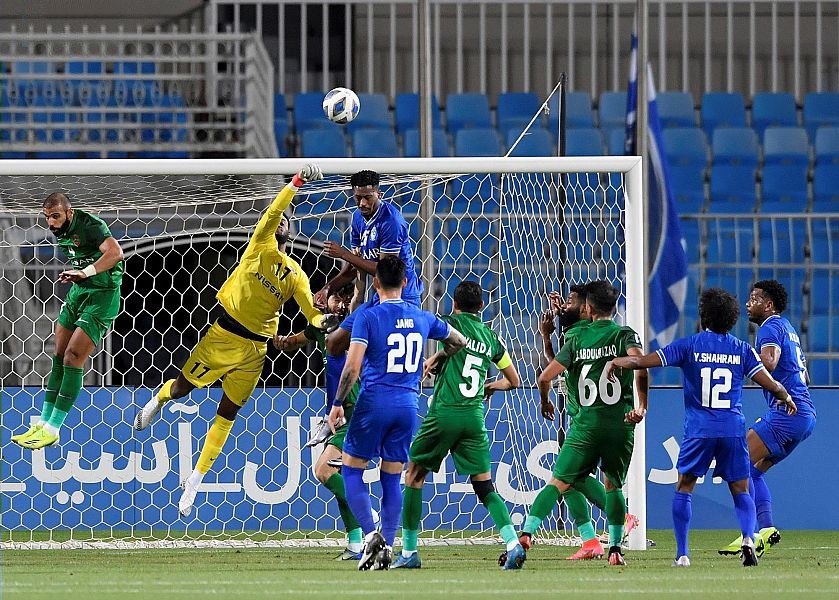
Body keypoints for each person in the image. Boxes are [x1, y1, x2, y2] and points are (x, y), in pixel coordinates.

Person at [134, 164, 338, 517]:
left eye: (287, 219)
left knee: (226, 414)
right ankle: (161, 397)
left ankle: (194, 484)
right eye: (278, 217)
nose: (281, 220)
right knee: (182, 388)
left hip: (255, 350)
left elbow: (310, 312)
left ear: (290, 231)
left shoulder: (295, 276)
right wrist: (296, 183)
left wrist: (325, 320)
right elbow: (274, 210)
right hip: (223, 336)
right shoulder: (258, 245)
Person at [608, 287, 797, 568]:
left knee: (685, 486)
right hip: (733, 429)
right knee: (741, 487)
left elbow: (643, 361)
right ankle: (748, 537)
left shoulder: (688, 345)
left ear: (702, 316)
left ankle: (683, 554)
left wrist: (617, 361)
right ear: (732, 319)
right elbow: (771, 383)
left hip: (700, 430)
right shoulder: (742, 349)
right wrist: (786, 396)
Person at [327, 256, 466, 571]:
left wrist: (337, 404)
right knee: (392, 479)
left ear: (375, 283)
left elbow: (351, 366)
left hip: (373, 401)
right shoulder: (423, 317)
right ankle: (388, 545)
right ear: (406, 283)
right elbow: (459, 341)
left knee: (350, 470)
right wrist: (441, 356)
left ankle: (370, 534)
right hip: (407, 406)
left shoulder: (368, 316)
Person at [393, 280, 524, 570]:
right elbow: (514, 381)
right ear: (482, 307)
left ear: (453, 304)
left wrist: (435, 357)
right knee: (485, 487)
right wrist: (491, 386)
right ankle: (513, 544)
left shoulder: (449, 322)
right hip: (474, 418)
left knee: (413, 475)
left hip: (445, 413)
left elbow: (450, 340)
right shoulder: (492, 338)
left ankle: (409, 551)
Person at [518, 280, 648, 567]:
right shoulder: (611, 334)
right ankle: (598, 542)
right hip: (613, 420)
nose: (565, 304)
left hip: (585, 418)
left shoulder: (579, 335)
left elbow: (550, 373)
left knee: (563, 479)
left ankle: (533, 533)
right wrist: (642, 406)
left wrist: (544, 399)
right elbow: (638, 362)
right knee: (598, 482)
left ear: (587, 310)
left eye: (572, 300)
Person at [309, 170, 424, 448]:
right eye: (358, 197)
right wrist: (329, 288)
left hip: (401, 299)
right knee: (334, 343)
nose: (362, 203)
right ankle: (333, 416)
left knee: (383, 365)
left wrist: (344, 254)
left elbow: (385, 270)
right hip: (375, 300)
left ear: (379, 194)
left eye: (367, 197)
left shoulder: (392, 221)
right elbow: (353, 269)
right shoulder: (358, 220)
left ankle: (391, 425)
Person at [13, 192, 124, 450]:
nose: (51, 223)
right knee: (58, 354)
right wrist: (77, 275)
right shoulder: (60, 231)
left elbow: (116, 253)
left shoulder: (90, 225)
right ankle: (42, 423)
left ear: (69, 212)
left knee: (73, 356)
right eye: (47, 217)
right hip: (79, 292)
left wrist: (84, 272)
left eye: (56, 216)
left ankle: (54, 427)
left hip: (103, 295)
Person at [719, 280, 816, 556]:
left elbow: (769, 362)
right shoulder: (788, 328)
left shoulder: (770, 327)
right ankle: (766, 529)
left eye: (754, 299)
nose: (749, 304)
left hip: (787, 414)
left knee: (737, 462)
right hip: (803, 414)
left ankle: (748, 535)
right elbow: (803, 375)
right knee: (753, 471)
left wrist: (739, 357)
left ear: (769, 305)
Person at [273, 283, 365, 560]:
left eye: (345, 299)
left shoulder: (355, 326)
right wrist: (279, 341)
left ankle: (370, 517)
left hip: (356, 413)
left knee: (323, 471)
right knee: (340, 478)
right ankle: (356, 543)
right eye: (337, 298)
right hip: (341, 417)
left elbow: (359, 296)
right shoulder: (321, 327)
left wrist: (355, 288)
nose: (339, 304)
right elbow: (294, 342)